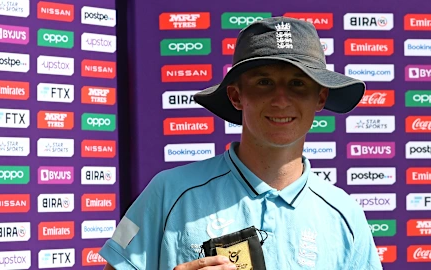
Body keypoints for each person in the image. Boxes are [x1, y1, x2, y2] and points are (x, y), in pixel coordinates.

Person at [100, 17, 382, 270]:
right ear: (236, 96)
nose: (281, 99)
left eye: (298, 84)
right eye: (264, 82)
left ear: (320, 98)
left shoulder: (346, 215)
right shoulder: (167, 192)